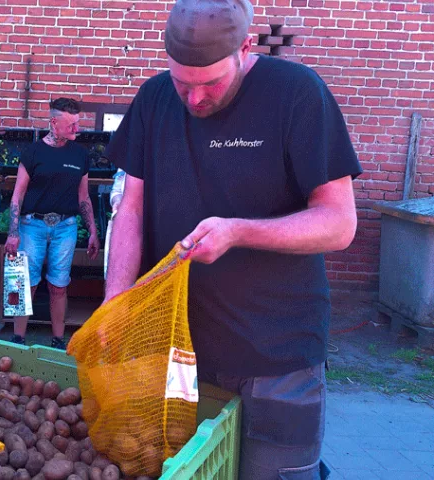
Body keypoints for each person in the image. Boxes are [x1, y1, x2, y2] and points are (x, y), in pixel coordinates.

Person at [104, 0, 361, 478]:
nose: (195, 99)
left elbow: (338, 222)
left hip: (277, 358)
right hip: (180, 354)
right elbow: (131, 210)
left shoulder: (297, 94)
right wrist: (116, 303)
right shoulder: (154, 98)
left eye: (211, 84)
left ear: (247, 47)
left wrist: (239, 231)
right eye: (183, 83)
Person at [4, 98, 101, 350]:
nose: (76, 129)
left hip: (65, 228)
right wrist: (13, 232)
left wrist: (93, 231)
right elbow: (18, 194)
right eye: (71, 125)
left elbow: (83, 197)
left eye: (78, 124)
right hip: (31, 226)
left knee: (59, 284)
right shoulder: (33, 152)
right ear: (54, 122)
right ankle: (18, 340)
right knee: (25, 282)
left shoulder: (80, 155)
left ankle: (58, 341)